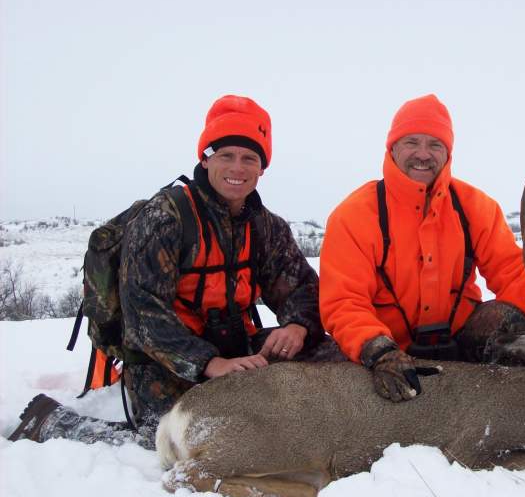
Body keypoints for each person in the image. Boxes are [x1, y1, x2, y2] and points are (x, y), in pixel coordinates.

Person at [8, 94, 329, 448]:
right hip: (164, 359)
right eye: (226, 155)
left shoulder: (267, 227)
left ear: (261, 168)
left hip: (236, 345)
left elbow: (302, 287)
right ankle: (54, 422)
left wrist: (298, 326)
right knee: (184, 439)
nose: (237, 168)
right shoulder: (166, 217)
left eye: (249, 158)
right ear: (205, 160)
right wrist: (209, 363)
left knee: (334, 360)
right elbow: (143, 316)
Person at [319, 94, 525, 403]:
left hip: (460, 338)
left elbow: (510, 271)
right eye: (412, 142)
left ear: (448, 153)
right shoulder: (355, 215)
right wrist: (378, 350)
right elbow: (344, 302)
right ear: (392, 148)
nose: (423, 155)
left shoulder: (474, 206)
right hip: (390, 351)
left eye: (435, 145)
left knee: (512, 323)